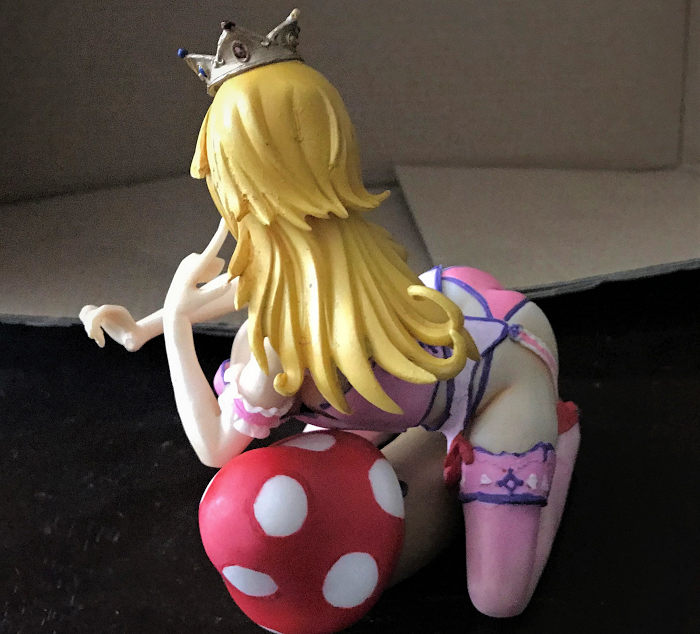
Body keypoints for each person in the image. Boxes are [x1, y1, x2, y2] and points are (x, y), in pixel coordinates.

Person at [81, 10, 579, 625]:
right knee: (374, 443)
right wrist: (146, 327)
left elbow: (214, 447)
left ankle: (558, 432)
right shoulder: (304, 256)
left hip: (501, 376)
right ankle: (441, 442)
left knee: (497, 600)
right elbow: (250, 283)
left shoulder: (278, 353)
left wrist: (178, 329)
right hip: (453, 315)